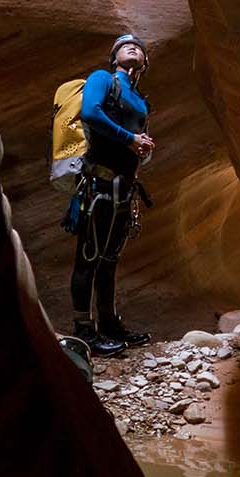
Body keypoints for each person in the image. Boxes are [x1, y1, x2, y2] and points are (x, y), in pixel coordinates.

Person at [67, 33, 154, 355]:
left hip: (122, 188)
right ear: (114, 57)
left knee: (108, 260)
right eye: (123, 46)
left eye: (138, 47)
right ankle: (84, 332)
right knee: (88, 257)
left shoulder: (140, 98)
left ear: (144, 62)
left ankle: (109, 324)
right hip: (99, 185)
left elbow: (136, 142)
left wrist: (142, 148)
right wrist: (129, 138)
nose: (132, 47)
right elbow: (90, 113)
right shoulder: (103, 78)